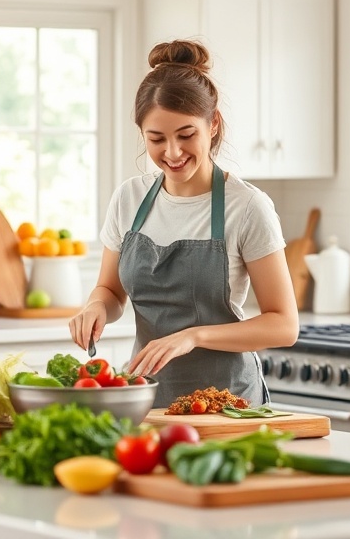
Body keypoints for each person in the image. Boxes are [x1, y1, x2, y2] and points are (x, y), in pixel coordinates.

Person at [68, 39, 300, 408]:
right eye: (156, 139)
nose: (172, 153)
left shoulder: (247, 207)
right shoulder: (129, 199)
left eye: (186, 135)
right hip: (145, 397)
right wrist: (95, 307)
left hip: (226, 403)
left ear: (213, 125)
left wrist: (193, 336)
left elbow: (284, 325)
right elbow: (110, 291)